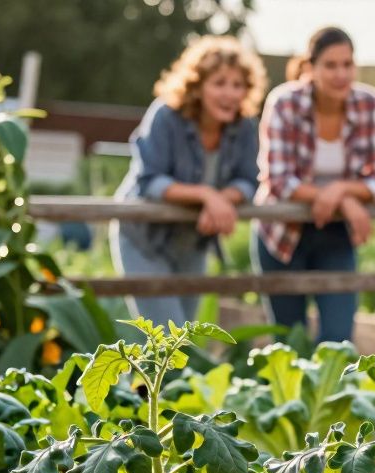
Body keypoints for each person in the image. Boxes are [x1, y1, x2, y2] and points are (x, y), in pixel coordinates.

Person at [254, 27, 375, 344]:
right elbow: (278, 178)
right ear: (310, 67)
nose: (340, 74)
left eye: (347, 64)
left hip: (335, 234)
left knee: (337, 341)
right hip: (282, 232)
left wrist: (339, 192)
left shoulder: (370, 104)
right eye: (330, 65)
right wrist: (343, 198)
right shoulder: (285, 103)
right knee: (289, 340)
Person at [112, 36, 265, 327]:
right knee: (166, 339)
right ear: (197, 86)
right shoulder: (166, 116)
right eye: (219, 83)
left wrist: (223, 199)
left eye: (238, 85)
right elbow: (149, 181)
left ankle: (140, 376)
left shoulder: (244, 126)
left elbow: (249, 181)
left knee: (181, 342)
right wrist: (207, 195)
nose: (230, 94)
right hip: (144, 239)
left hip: (192, 242)